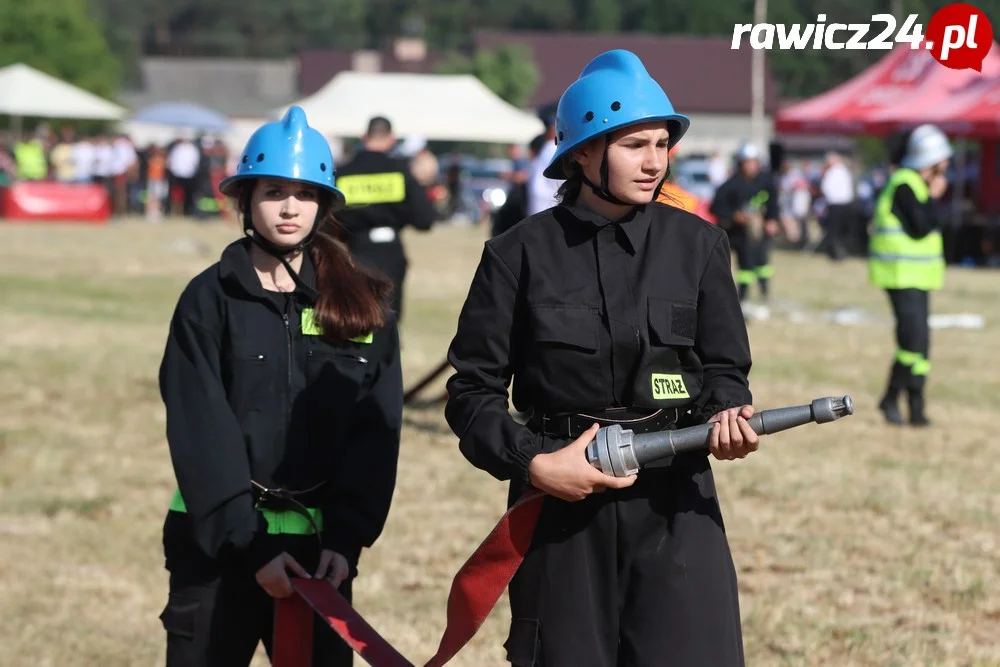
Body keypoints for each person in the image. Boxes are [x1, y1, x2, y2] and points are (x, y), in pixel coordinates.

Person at [444, 49, 758, 667]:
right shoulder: (517, 255)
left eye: (663, 144)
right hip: (562, 509)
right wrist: (533, 464)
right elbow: (472, 394)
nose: (654, 162)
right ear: (583, 152)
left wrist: (728, 416)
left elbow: (725, 368)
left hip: (677, 502)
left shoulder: (699, 246)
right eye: (635, 144)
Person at [157, 107, 403, 666]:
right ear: (244, 199)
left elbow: (376, 430)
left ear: (324, 203)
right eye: (273, 192)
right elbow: (200, 429)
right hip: (217, 544)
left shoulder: (359, 302)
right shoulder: (208, 299)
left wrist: (347, 539)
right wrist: (247, 541)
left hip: (321, 554)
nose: (290, 207)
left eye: (305, 193)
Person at [869, 124, 951, 427]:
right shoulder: (905, 184)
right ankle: (890, 398)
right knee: (911, 344)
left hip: (917, 277)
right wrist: (932, 197)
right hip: (900, 276)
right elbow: (920, 227)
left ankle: (916, 409)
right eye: (943, 162)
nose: (947, 168)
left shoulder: (913, 183)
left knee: (922, 347)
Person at [335, 116, 437, 324]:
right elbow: (424, 220)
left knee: (358, 315)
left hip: (356, 252)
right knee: (389, 318)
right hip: (392, 255)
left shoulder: (344, 173)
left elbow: (328, 220)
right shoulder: (401, 173)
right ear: (391, 140)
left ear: (364, 137)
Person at [710, 142, 780, 318]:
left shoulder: (765, 181)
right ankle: (742, 298)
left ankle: (765, 293)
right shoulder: (730, 185)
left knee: (763, 263)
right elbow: (716, 208)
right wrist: (735, 216)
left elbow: (773, 203)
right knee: (745, 266)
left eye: (755, 162)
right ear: (740, 164)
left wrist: (772, 219)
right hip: (738, 233)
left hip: (758, 232)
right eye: (748, 162)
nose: (752, 166)